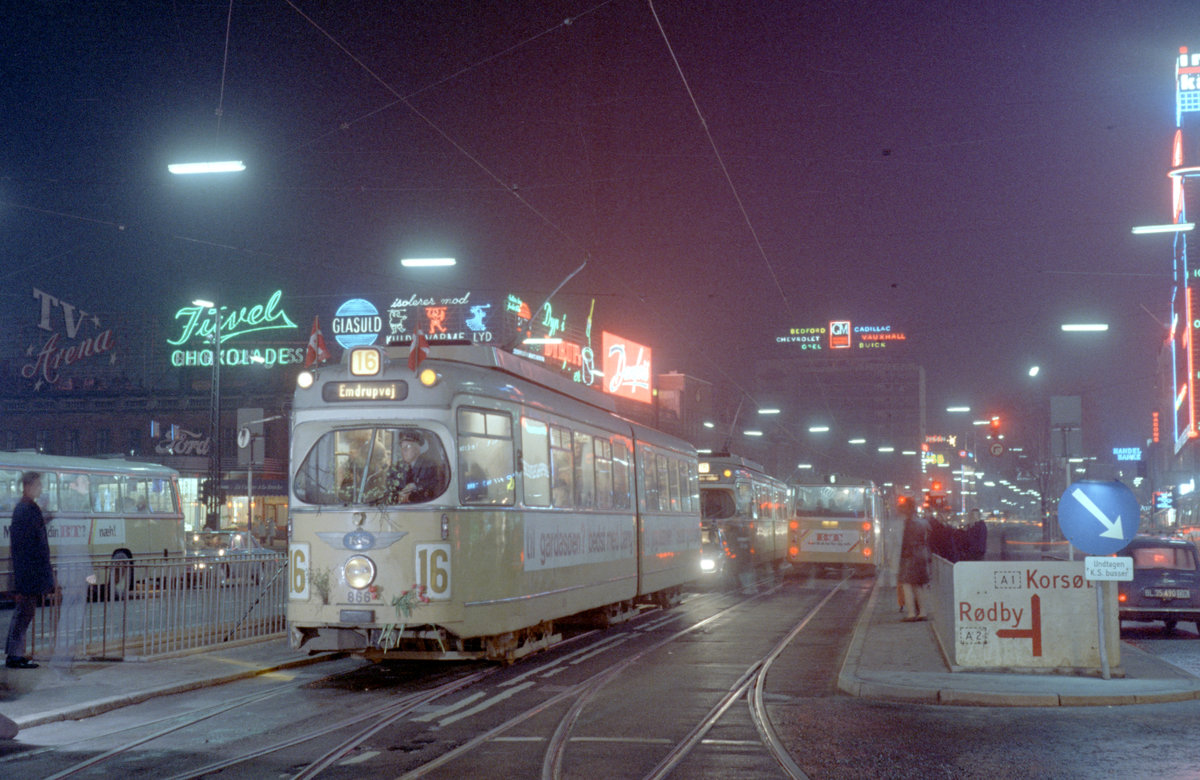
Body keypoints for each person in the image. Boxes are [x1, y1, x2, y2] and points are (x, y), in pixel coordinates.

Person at [6, 471, 55, 669]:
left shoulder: (26, 509)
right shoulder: (25, 509)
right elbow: (28, 543)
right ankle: (14, 656)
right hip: (29, 572)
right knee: (23, 614)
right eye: (37, 485)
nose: (40, 489)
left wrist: (44, 519)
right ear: (27, 486)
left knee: (25, 613)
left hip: (29, 572)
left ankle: (15, 654)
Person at [381, 430, 441, 504]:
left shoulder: (429, 466)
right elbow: (388, 489)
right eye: (402, 447)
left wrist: (415, 486)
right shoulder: (396, 467)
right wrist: (398, 496)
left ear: (417, 449)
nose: (404, 450)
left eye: (408, 446)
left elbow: (433, 486)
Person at [897, 496, 931, 622]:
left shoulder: (908, 524)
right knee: (919, 585)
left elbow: (905, 543)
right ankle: (923, 612)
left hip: (910, 557)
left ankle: (911, 613)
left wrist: (899, 559)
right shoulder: (923, 523)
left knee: (907, 585)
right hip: (921, 556)